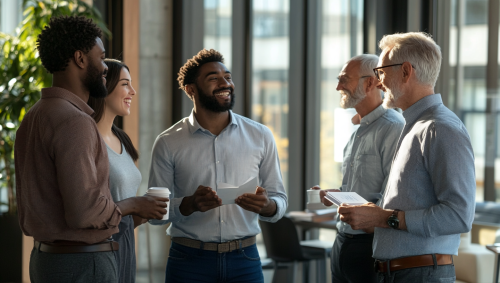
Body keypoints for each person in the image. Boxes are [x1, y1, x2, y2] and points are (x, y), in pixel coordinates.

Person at [15, 16, 167, 282]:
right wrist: (133, 204)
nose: (105, 67)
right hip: (84, 263)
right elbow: (85, 212)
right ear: (80, 59)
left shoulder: (34, 115)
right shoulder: (76, 121)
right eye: (101, 58)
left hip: (45, 259)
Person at [337, 32, 475, 282]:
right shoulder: (414, 125)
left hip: (419, 274)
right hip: (400, 273)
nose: (378, 83)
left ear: (406, 71)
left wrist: (383, 217)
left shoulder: (439, 128)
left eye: (381, 72)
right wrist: (375, 212)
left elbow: (458, 216)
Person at [148, 49, 288, 282]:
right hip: (189, 262)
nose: (225, 83)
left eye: (228, 77)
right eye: (213, 78)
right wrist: (188, 205)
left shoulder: (261, 135)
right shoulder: (168, 142)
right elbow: (154, 213)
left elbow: (280, 199)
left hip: (246, 260)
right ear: (190, 89)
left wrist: (268, 206)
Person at [311, 54, 404, 283]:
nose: (337, 86)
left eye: (344, 79)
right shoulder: (356, 133)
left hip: (370, 247)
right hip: (342, 242)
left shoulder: (393, 128)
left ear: (370, 83)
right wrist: (336, 195)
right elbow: (358, 188)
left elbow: (395, 196)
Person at [87, 59, 146, 283]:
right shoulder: (88, 139)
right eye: (125, 84)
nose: (133, 91)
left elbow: (124, 204)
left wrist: (146, 209)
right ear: (104, 86)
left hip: (127, 241)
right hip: (101, 246)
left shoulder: (121, 138)